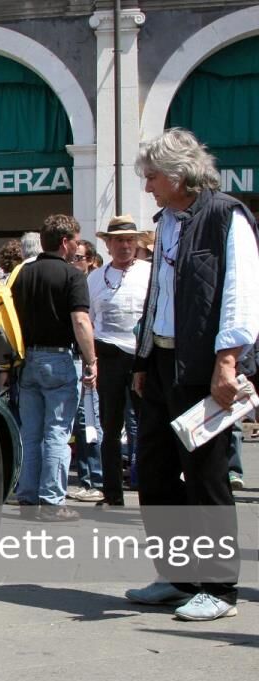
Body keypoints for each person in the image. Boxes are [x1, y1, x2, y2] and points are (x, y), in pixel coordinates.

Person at [125, 128, 259, 621]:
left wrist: (228, 362)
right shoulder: (165, 223)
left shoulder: (226, 216)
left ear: (181, 175)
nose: (148, 187)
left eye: (153, 177)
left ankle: (219, 589)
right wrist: (143, 362)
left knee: (207, 476)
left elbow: (242, 294)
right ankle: (179, 576)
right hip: (161, 363)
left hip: (202, 365)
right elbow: (157, 297)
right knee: (155, 472)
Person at [10, 213, 97, 522]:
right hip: (60, 359)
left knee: (30, 433)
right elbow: (80, 321)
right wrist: (91, 360)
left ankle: (28, 496)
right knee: (57, 432)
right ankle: (51, 501)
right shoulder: (73, 276)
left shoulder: (23, 274)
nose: (77, 246)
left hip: (28, 358)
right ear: (64, 242)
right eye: (75, 240)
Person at [87, 216, 150, 506]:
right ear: (108, 245)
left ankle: (148, 486)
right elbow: (87, 320)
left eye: (129, 240)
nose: (125, 246)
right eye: (119, 241)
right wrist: (90, 360)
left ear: (137, 243)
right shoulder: (95, 277)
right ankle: (112, 492)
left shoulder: (149, 273)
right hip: (108, 355)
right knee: (110, 427)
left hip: (144, 356)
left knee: (147, 425)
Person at [67, 237, 105, 503]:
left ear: (91, 260)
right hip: (77, 357)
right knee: (84, 420)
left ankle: (96, 477)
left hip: (94, 357)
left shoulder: (94, 284)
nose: (74, 262)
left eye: (79, 258)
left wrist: (93, 359)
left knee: (90, 419)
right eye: (72, 257)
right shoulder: (71, 283)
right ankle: (89, 477)